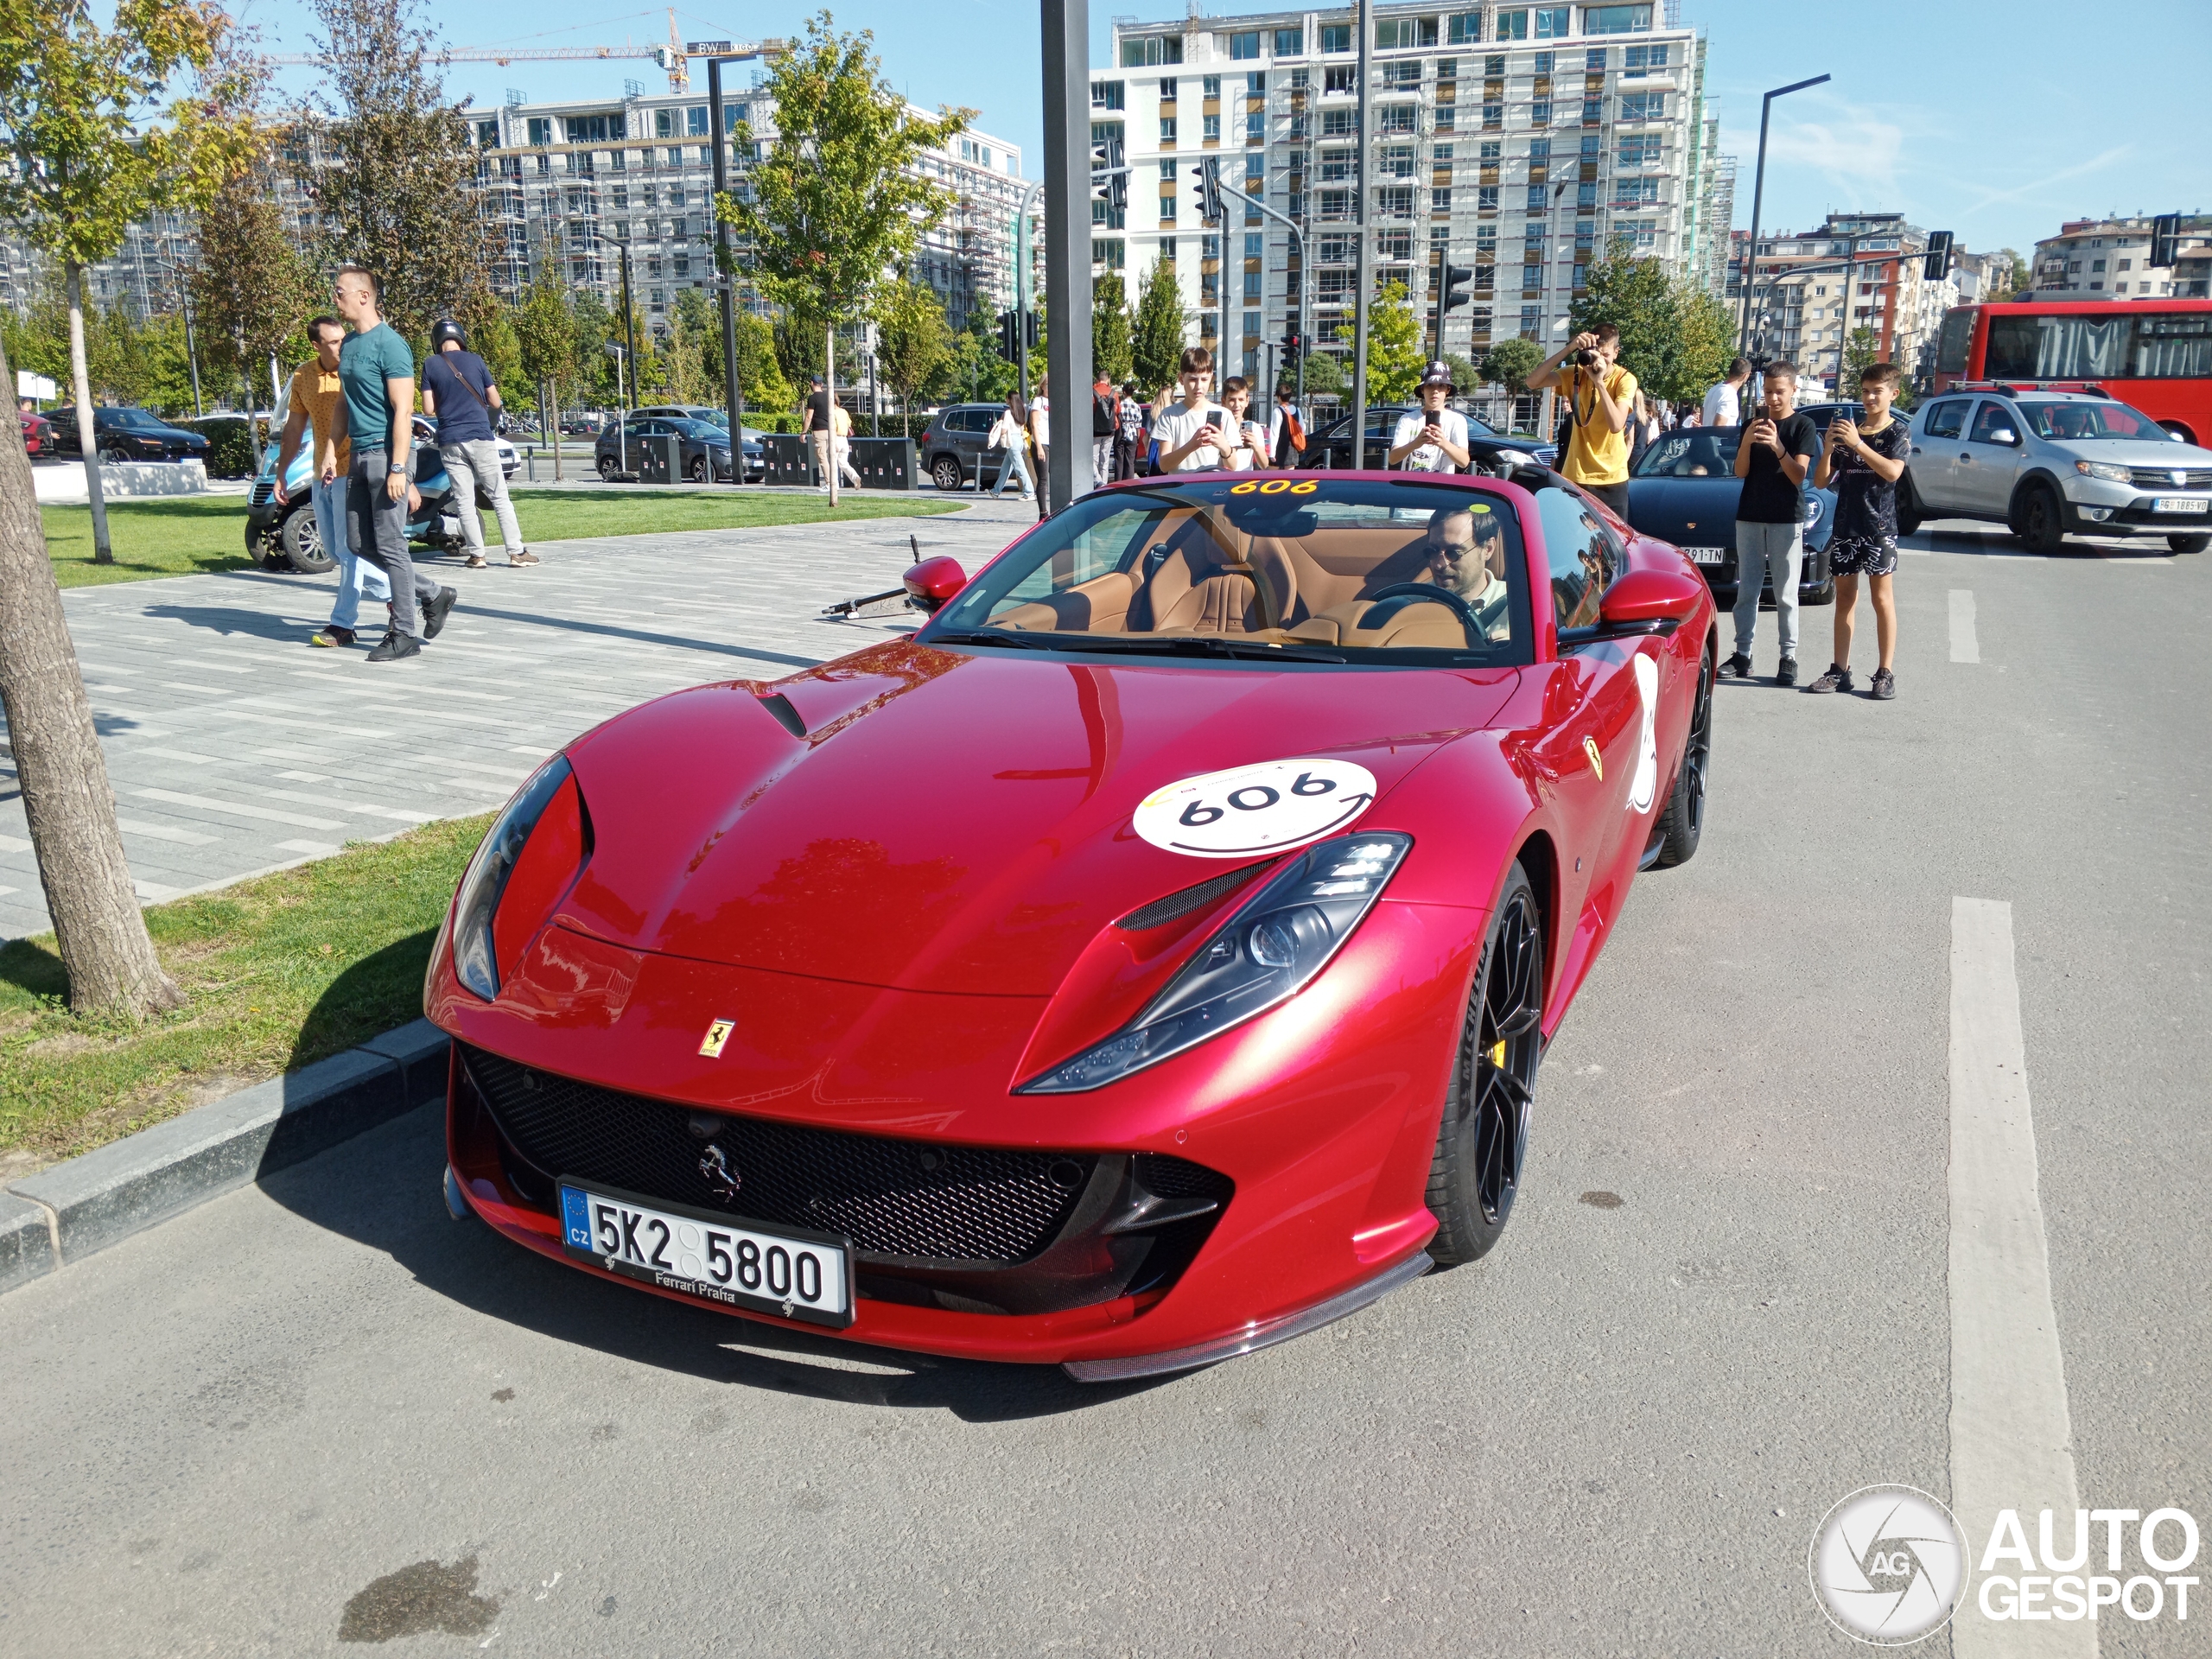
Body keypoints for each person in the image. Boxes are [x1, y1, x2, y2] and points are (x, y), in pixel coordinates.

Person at [327, 264, 454, 663]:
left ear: (364, 296)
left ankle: (404, 634)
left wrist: (400, 469)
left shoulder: (391, 345)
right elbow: (344, 403)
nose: (335, 296)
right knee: (357, 543)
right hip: (358, 456)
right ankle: (433, 593)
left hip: (388, 456)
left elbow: (403, 411)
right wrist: (331, 449)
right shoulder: (348, 346)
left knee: (391, 544)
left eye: (340, 290)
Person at [275, 315, 392, 650]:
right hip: (320, 472)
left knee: (347, 549)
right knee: (339, 553)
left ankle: (342, 624)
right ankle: (403, 592)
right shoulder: (303, 376)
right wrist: (281, 473)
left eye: (343, 337)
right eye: (334, 341)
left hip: (353, 469)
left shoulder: (356, 369)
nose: (342, 344)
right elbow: (294, 428)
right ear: (316, 345)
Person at [1805, 362, 1910, 700]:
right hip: (1846, 527)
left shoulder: (1897, 433)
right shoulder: (1851, 431)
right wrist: (1829, 448)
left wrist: (1859, 445)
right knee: (1844, 601)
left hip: (1880, 528)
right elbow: (1821, 481)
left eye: (1876, 391)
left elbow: (1893, 473)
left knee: (1882, 600)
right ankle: (1839, 670)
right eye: (1865, 391)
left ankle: (1885, 672)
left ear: (1893, 394)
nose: (1869, 397)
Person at [1725, 358, 1821, 685]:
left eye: (1779, 392)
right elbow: (1740, 472)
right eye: (1768, 391)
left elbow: (1799, 476)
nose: (1773, 398)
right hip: (1750, 514)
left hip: (1785, 518)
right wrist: (1750, 440)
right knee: (1747, 590)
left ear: (1794, 390)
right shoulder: (1752, 423)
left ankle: (1788, 657)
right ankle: (1742, 654)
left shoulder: (1802, 427)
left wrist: (1779, 446)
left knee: (1785, 593)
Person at [421, 318, 533, 569]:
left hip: (450, 439)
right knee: (499, 496)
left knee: (463, 499)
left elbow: (428, 408)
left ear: (436, 341)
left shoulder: (430, 364)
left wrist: (447, 405)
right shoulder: (477, 360)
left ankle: (476, 555)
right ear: (460, 337)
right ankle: (516, 552)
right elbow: (495, 401)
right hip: (479, 435)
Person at [1528, 324, 1636, 516]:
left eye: (1606, 355)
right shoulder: (1576, 373)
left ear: (1616, 353)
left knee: (1615, 543)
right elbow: (1532, 382)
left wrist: (1599, 383)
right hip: (1576, 474)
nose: (1599, 362)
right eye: (1595, 354)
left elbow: (1616, 425)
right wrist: (1569, 348)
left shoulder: (1624, 379)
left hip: (1612, 478)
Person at [1421, 504, 1512, 641]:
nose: (1439, 564)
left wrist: (1515, 650)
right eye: (1432, 551)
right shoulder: (1410, 604)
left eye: (1453, 553)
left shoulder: (1520, 610)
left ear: (1488, 549)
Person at [1152, 347, 1234, 472]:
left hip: (1214, 488)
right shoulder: (1168, 415)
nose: (1198, 386)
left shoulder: (1225, 415)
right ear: (1181, 378)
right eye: (1192, 379)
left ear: (1211, 378)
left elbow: (1233, 466)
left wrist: (1224, 446)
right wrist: (1192, 445)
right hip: (1182, 490)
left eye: (1204, 379)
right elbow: (1164, 465)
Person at [1389, 361, 1472, 472]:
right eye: (1429, 385)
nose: (1435, 391)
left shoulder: (1457, 420)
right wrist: (1416, 443)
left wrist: (1443, 443)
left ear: (1448, 390)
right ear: (1422, 389)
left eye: (1441, 386)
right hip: (1411, 486)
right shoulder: (1407, 420)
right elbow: (1393, 459)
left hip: (1442, 487)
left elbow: (1464, 462)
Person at [988, 391, 1033, 499]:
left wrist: (999, 427)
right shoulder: (1020, 411)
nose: (1005, 399)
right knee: (1006, 468)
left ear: (1010, 399)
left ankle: (1029, 492)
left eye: (1006, 397)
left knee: (1020, 468)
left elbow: (1004, 430)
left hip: (1011, 441)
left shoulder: (1008, 413)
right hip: (1019, 440)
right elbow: (1022, 428)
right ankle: (996, 490)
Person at [1217, 376, 1268, 470]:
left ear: (1247, 401)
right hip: (1222, 481)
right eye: (1232, 400)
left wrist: (1255, 446)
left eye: (1241, 400)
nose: (1237, 405)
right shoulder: (1218, 428)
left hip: (1245, 482)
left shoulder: (1255, 428)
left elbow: (1265, 466)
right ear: (1223, 401)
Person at [800, 375, 833, 489]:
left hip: (819, 431)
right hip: (830, 430)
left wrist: (804, 432)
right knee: (829, 457)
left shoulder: (812, 398)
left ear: (811, 383)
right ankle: (834, 483)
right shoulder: (828, 396)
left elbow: (809, 417)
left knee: (822, 457)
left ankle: (830, 484)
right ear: (822, 384)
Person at [1701, 357, 1751, 432]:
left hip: (1705, 439)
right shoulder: (1729, 394)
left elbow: (1702, 419)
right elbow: (1719, 426)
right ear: (1745, 375)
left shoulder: (1714, 389)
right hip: (1719, 443)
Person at [1268, 383, 1307, 469]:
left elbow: (1274, 433)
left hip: (1280, 448)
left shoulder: (1278, 411)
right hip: (1293, 448)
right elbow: (1303, 428)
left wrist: (1272, 453)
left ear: (1279, 397)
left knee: (1276, 477)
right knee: (1289, 476)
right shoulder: (1297, 410)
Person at [1091, 373, 1119, 490]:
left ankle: (1098, 481)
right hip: (1110, 430)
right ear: (1108, 379)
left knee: (1093, 459)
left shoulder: (1093, 391)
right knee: (1105, 460)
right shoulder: (1114, 393)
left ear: (1097, 379)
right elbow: (1117, 410)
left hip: (1095, 430)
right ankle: (1104, 486)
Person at [1115, 382, 1146, 480]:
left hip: (1120, 434)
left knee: (1119, 461)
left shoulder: (1120, 405)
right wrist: (1137, 438)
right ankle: (1129, 484)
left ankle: (1118, 483)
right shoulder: (1136, 406)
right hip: (1132, 435)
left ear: (1124, 392)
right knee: (1130, 462)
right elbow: (1138, 425)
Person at [830, 399, 862, 489]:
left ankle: (834, 485)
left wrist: (833, 442)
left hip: (836, 438)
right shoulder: (844, 412)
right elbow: (849, 424)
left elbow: (833, 427)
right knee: (844, 463)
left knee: (833, 464)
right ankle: (855, 477)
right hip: (844, 439)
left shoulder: (832, 413)